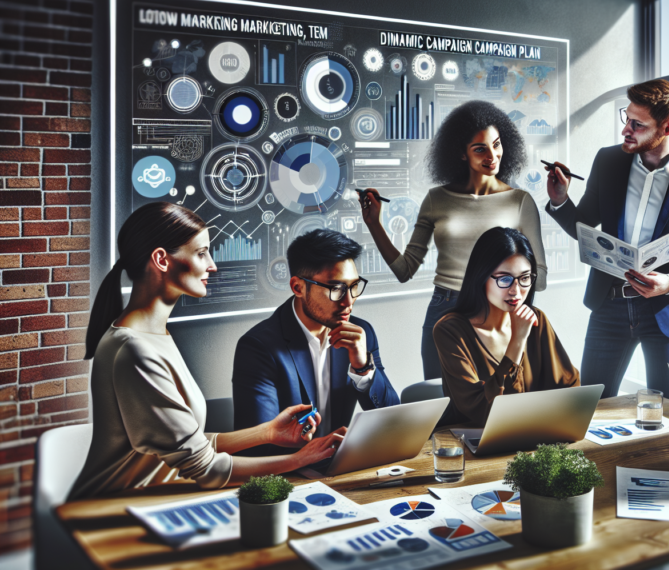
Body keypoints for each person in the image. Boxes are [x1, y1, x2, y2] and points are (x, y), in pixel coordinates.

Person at [70, 203, 342, 500]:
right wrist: (299, 459)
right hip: (108, 513)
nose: (212, 265)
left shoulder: (152, 335)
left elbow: (189, 444)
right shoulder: (135, 350)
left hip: (154, 502)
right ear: (161, 259)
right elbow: (205, 468)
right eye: (201, 253)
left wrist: (267, 433)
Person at [546, 78, 669, 397]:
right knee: (589, 406)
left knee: (666, 413)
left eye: (637, 124)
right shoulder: (608, 161)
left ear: (667, 128)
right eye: (625, 118)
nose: (625, 130)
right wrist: (560, 200)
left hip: (664, 313)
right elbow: (584, 226)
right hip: (609, 306)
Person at [360, 100, 548, 382]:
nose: (492, 155)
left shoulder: (519, 201)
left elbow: (540, 276)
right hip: (445, 308)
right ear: (461, 154)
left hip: (498, 312)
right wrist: (374, 224)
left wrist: (510, 293)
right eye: (480, 148)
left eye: (497, 144)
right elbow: (404, 270)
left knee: (497, 398)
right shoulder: (437, 199)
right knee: (441, 404)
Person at [232, 229, 400, 456]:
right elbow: (258, 448)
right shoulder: (258, 347)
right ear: (298, 287)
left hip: (343, 467)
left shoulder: (361, 334)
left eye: (354, 286)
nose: (349, 301)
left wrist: (363, 368)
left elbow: (394, 422)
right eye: (336, 289)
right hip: (291, 476)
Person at [433, 227, 578, 426]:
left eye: (525, 278)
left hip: (535, 435)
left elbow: (569, 389)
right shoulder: (450, 330)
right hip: (476, 444)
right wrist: (517, 341)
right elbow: (486, 410)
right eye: (505, 279)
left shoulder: (536, 321)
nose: (516, 291)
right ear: (481, 276)